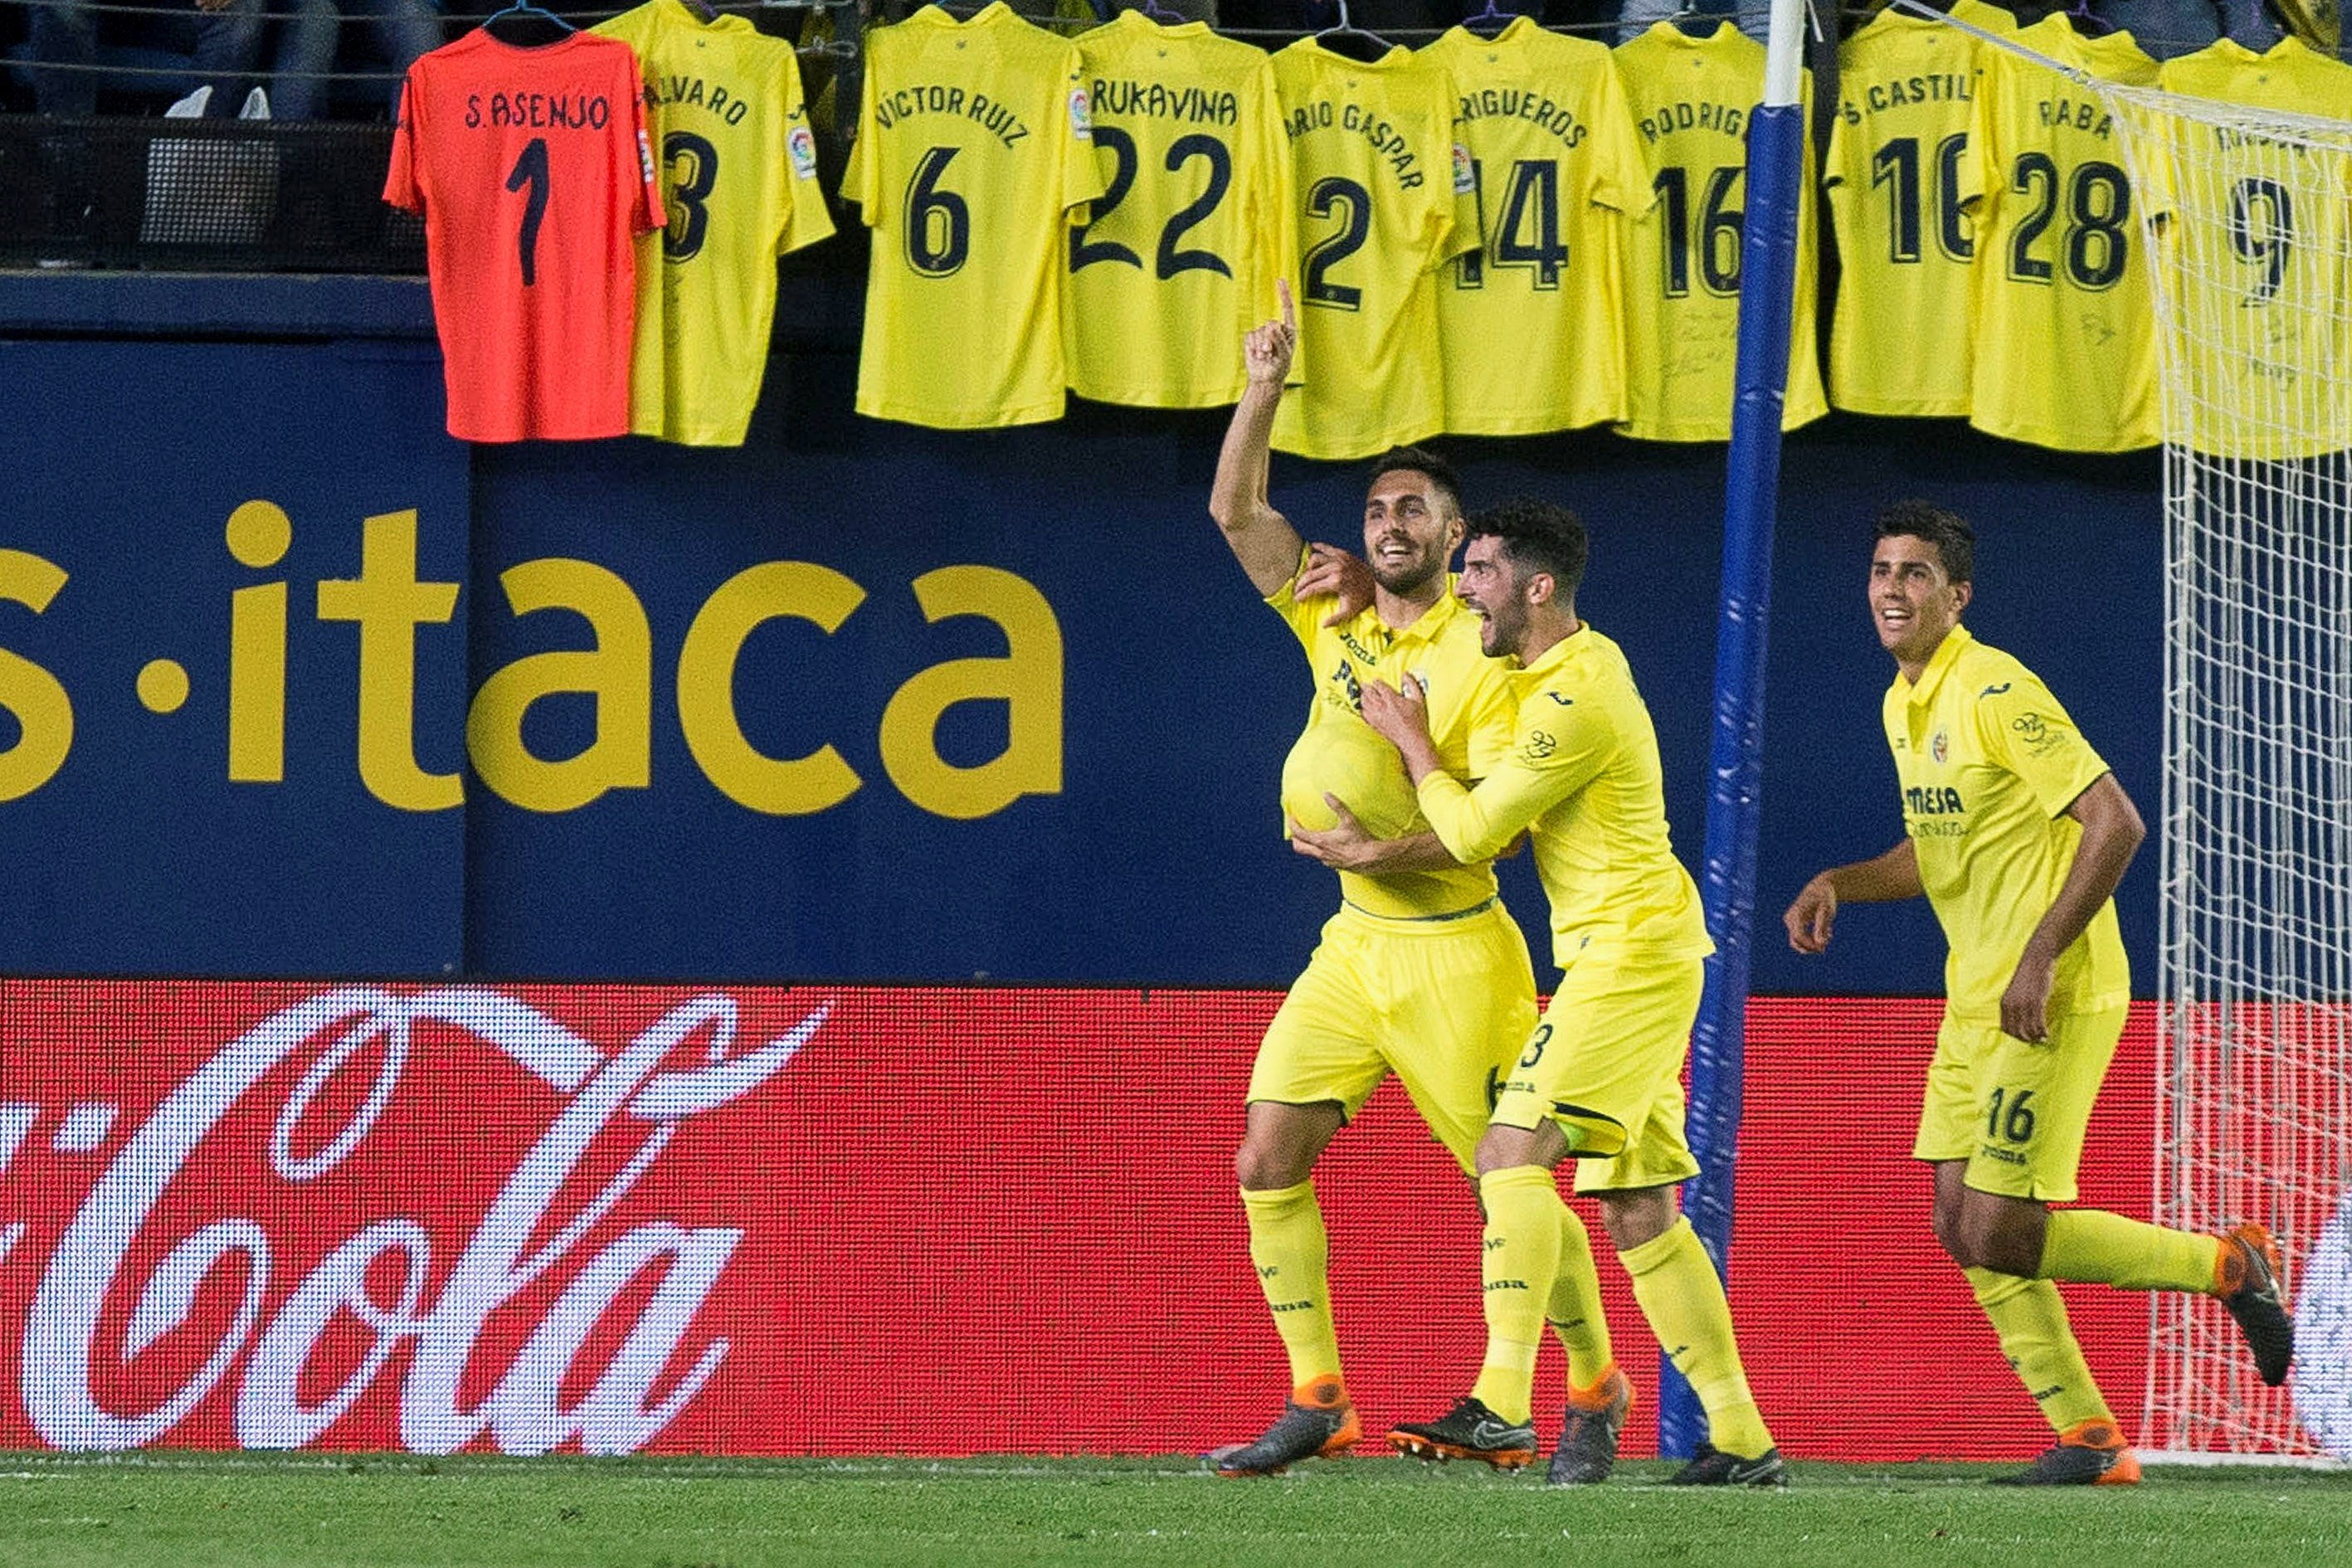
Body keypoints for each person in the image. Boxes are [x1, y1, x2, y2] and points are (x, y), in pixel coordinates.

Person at [1781, 499, 2293, 1485]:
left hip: (2052, 989)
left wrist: (2041, 954)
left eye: (1915, 573)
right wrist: (1844, 880)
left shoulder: (1996, 688)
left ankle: (2226, 1268)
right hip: (1974, 996)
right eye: (1882, 570)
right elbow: (1940, 854)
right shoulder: (1904, 702)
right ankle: (2091, 1441)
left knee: (2003, 1227)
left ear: (1956, 594)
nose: (1891, 588)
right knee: (1953, 1218)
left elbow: (2117, 823)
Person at [1303, 497, 1785, 1486]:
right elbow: (1440, 649)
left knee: (1509, 1151)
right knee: (1642, 1209)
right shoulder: (1547, 666)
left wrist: (1415, 750)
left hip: (1634, 958)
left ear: (1536, 586)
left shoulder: (1576, 702)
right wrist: (1364, 587)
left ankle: (1502, 1402)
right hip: (1623, 952)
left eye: (1477, 570)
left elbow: (1478, 835)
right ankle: (1741, 1440)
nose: (1464, 586)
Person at [1203, 283, 1586, 1478]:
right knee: (1265, 1152)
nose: (1385, 522)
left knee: (1507, 1183)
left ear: (1455, 537)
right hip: (1350, 947)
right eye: (1373, 507)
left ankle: (1587, 1384)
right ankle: (1319, 1392)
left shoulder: (1484, 662)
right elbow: (1233, 508)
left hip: (1455, 954)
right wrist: (1261, 385)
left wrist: (1381, 849)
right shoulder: (1333, 610)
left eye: (1412, 507)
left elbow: (1497, 838)